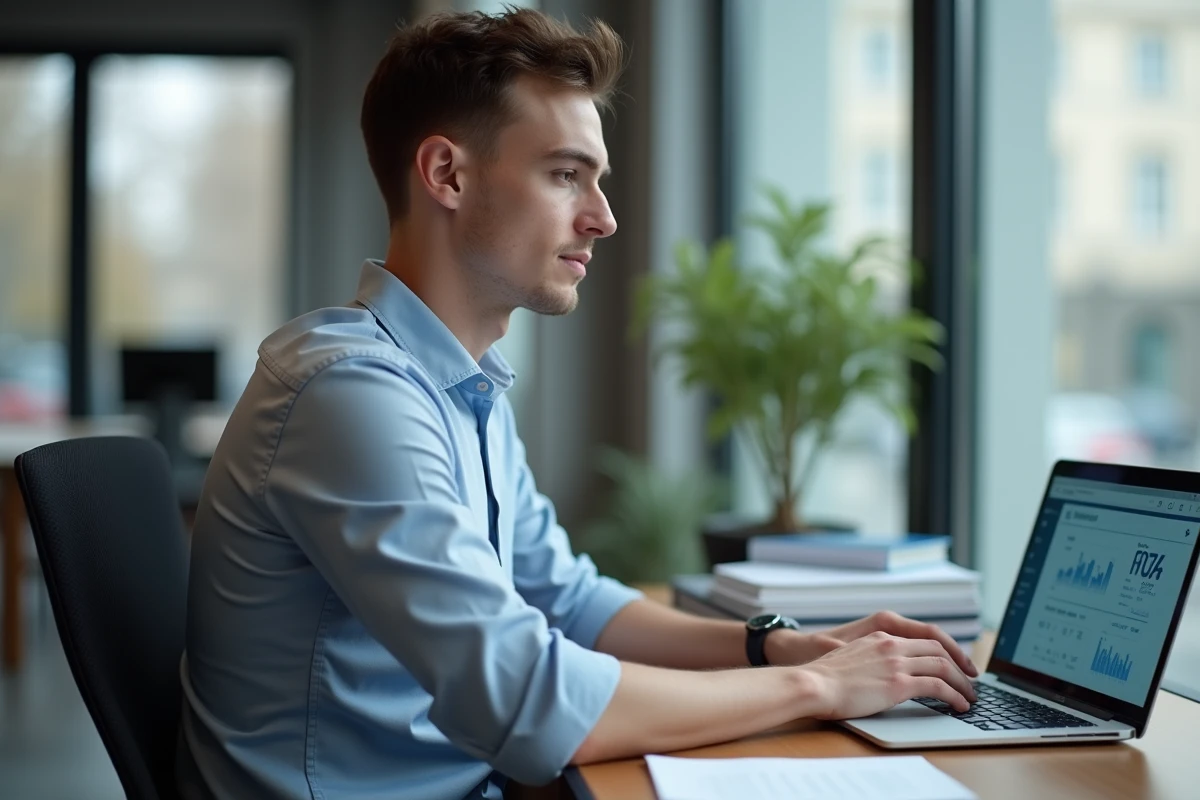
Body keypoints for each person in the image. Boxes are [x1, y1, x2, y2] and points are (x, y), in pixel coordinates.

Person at [176, 8, 978, 800]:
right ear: (447, 175)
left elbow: (565, 597)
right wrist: (823, 688)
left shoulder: (462, 386)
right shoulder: (351, 394)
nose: (604, 217)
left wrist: (778, 648)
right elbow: (528, 702)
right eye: (566, 175)